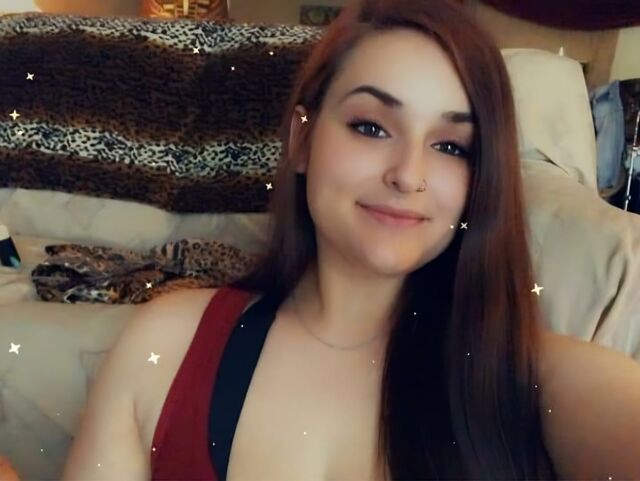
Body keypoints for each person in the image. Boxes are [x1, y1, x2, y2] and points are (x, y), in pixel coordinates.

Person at [61, 0, 640, 479]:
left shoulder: (531, 377)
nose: (408, 175)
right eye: (371, 127)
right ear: (302, 140)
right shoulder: (169, 345)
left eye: (450, 146)